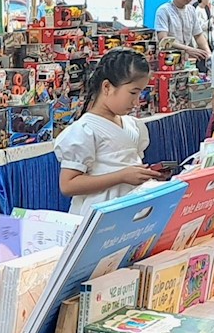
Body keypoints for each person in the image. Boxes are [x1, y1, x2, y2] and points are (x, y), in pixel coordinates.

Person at [54, 48, 161, 217]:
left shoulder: (133, 125)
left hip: (131, 210)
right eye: (133, 92)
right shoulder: (85, 130)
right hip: (99, 216)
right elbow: (68, 185)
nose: (136, 101)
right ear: (107, 87)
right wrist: (121, 176)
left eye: (140, 93)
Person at [154, 0, 212, 64]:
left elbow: (198, 35)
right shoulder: (164, 10)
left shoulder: (191, 10)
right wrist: (188, 49)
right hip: (167, 61)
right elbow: (163, 39)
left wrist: (208, 53)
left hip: (186, 61)